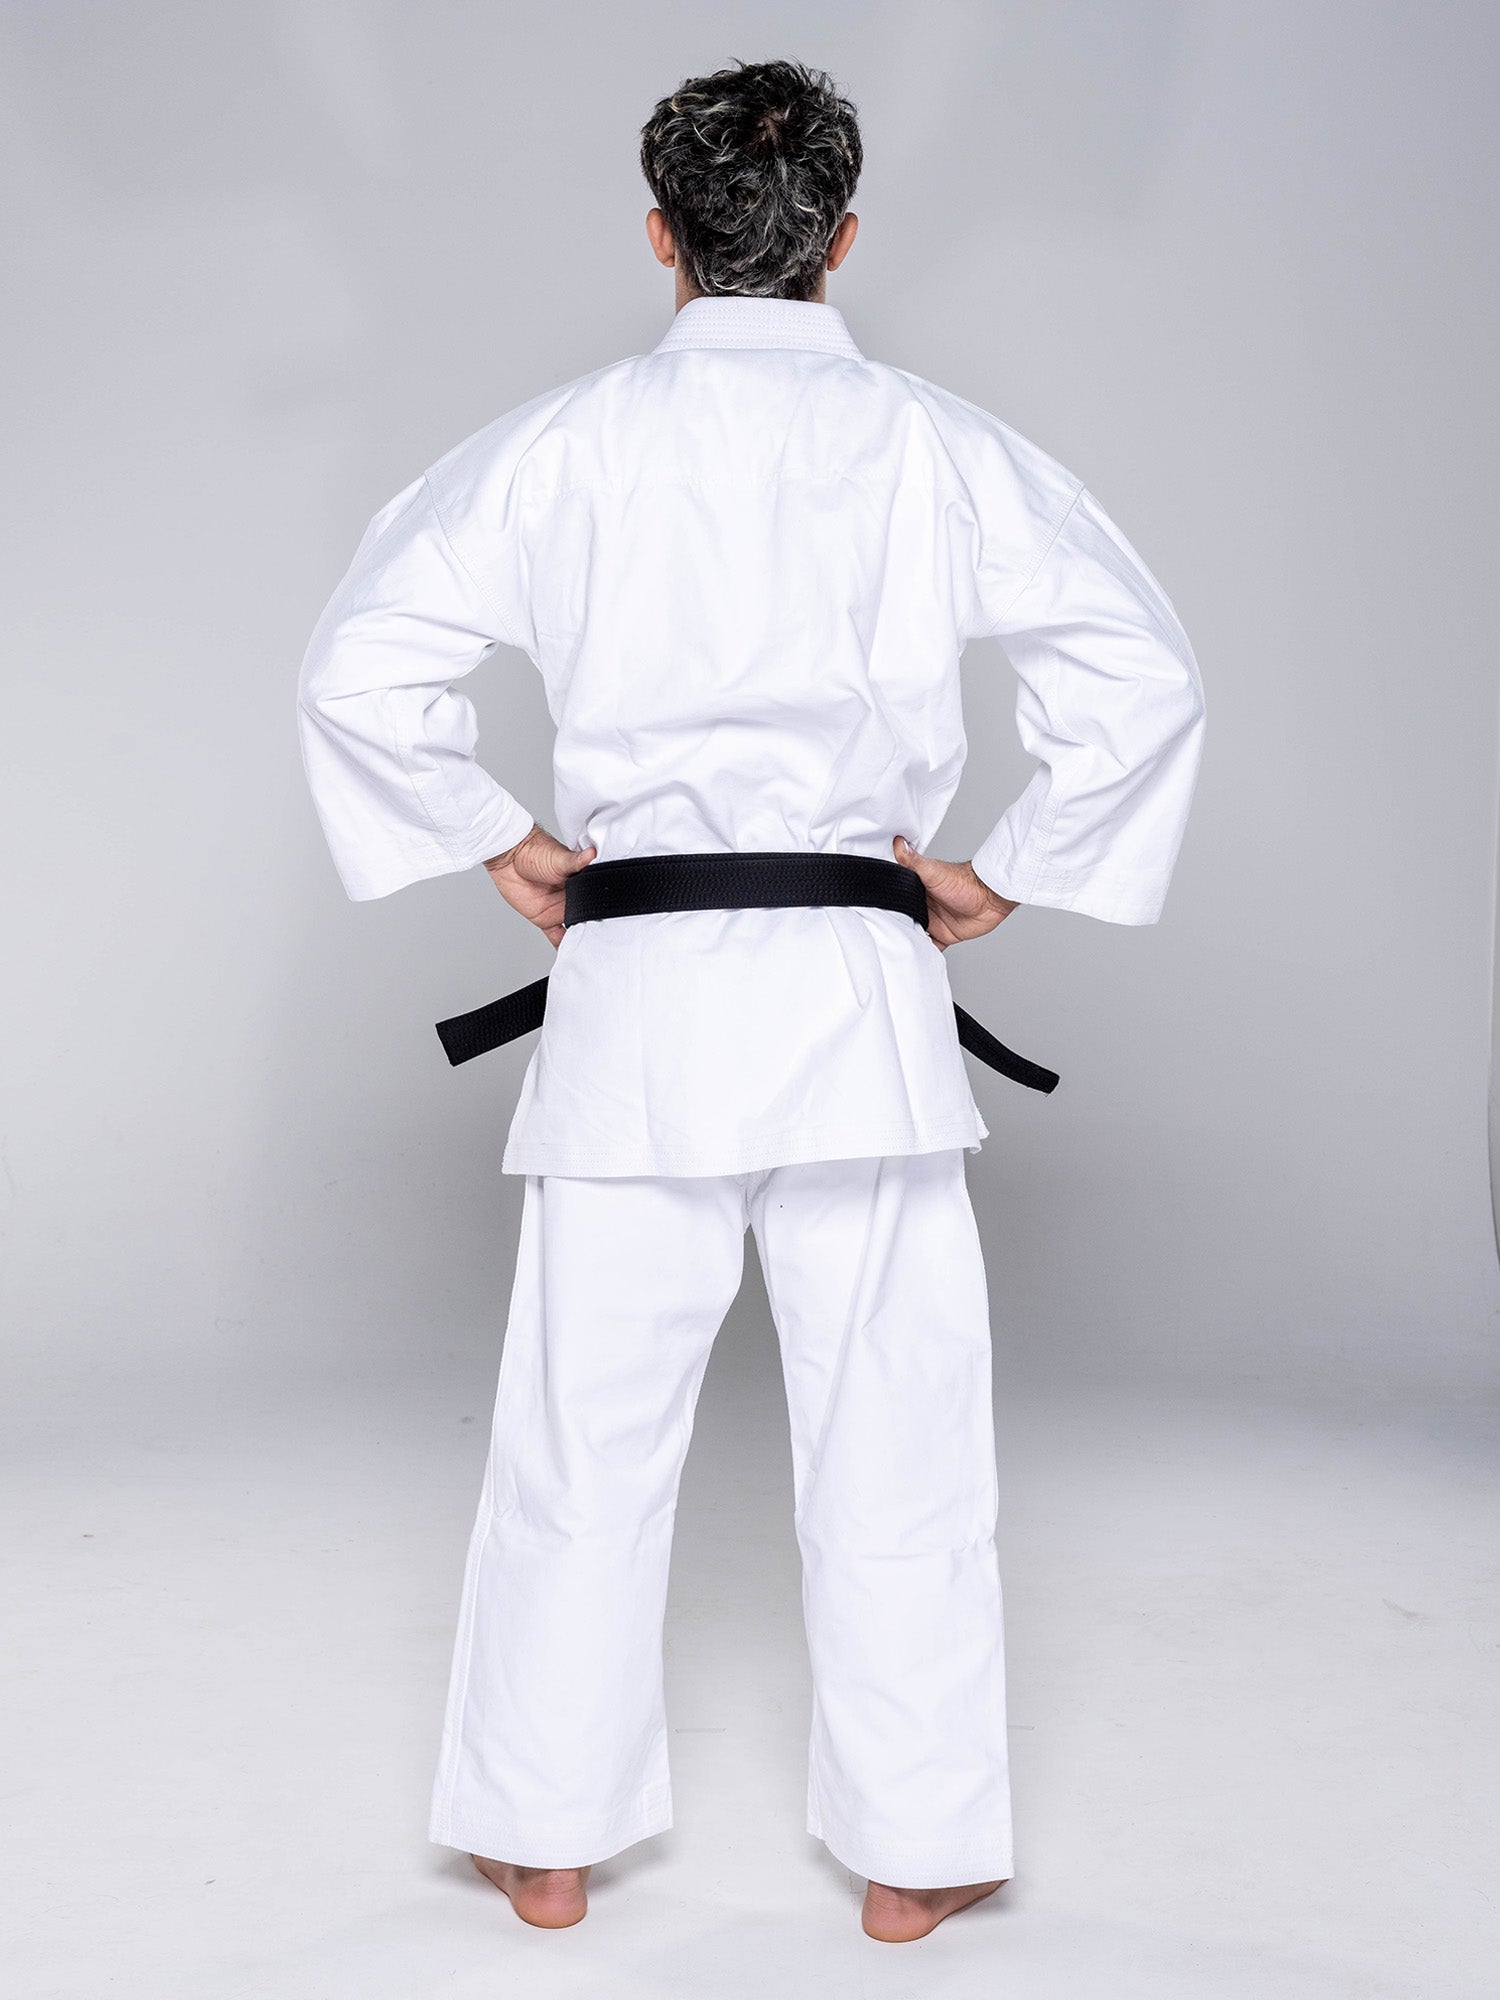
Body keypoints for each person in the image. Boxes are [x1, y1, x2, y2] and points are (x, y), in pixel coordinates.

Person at [296, 59, 1205, 1944]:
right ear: (844, 240)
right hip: (855, 1001)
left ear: (660, 236)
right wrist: (998, 868)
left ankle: (544, 1840)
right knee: (901, 1440)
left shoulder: (558, 448)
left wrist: (498, 840)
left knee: (581, 1436)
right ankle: (920, 1847)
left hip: (636, 998)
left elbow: (361, 666)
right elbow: (1136, 672)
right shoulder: (942, 447)